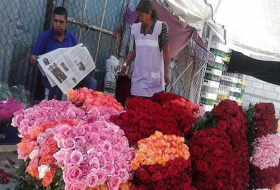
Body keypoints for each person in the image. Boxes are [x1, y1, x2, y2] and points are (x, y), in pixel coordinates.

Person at [28, 6, 97, 100]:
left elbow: (76, 60)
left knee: (92, 82)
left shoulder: (71, 37)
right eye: (55, 21)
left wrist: (82, 52)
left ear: (66, 23)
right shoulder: (44, 37)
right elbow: (32, 59)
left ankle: (82, 109)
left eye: (61, 22)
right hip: (51, 78)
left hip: (70, 75)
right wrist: (32, 59)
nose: (58, 25)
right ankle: (56, 110)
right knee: (58, 81)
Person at [120, 0, 170, 98]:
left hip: (153, 79)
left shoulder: (160, 27)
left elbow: (167, 53)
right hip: (139, 76)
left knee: (150, 108)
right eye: (138, 15)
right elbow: (135, 49)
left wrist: (167, 73)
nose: (139, 18)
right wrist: (126, 64)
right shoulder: (137, 28)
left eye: (141, 15)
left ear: (149, 13)